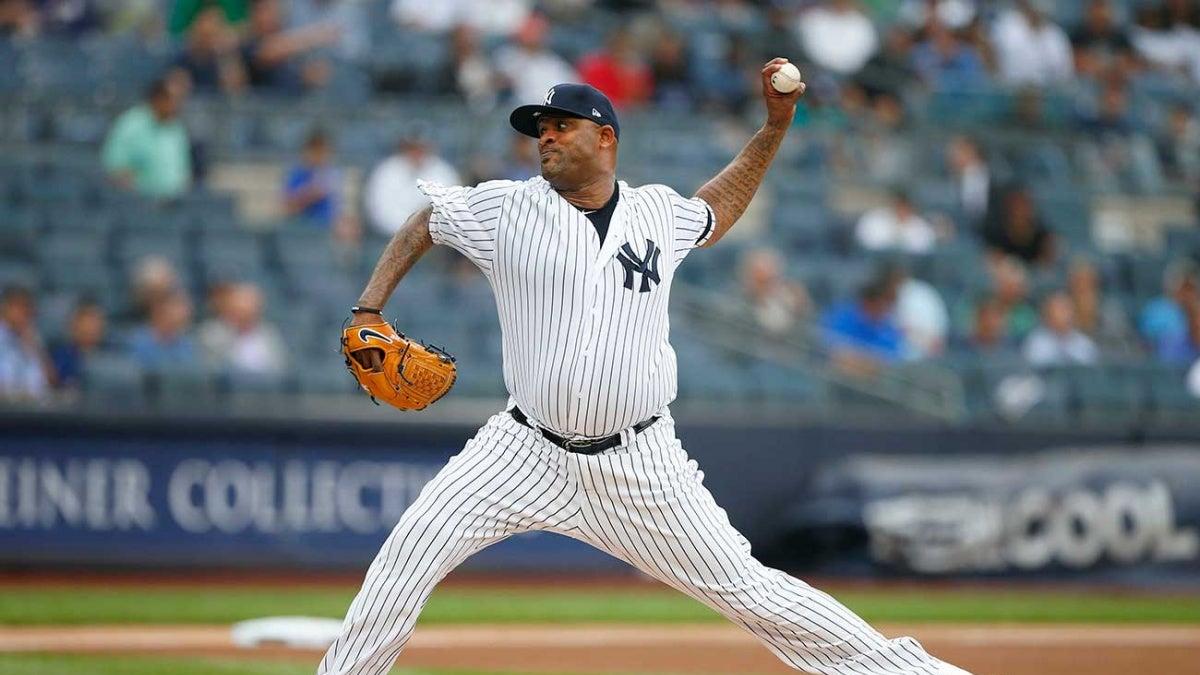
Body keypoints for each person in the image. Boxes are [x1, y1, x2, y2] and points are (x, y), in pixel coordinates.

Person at [321, 65, 969, 675]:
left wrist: (773, 128)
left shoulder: (657, 211)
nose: (546, 137)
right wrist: (369, 307)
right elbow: (428, 220)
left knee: (752, 592)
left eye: (561, 125)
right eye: (540, 128)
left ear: (605, 138)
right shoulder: (506, 208)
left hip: (640, 462)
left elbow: (719, 205)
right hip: (522, 449)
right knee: (405, 558)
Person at [101, 77, 192, 200]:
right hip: (138, 202)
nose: (177, 105)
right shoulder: (131, 124)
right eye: (172, 99)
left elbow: (182, 171)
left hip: (173, 202)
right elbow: (114, 167)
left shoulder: (176, 128)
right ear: (158, 98)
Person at [364, 138, 462, 236]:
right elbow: (379, 211)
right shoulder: (386, 171)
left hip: (436, 236)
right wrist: (409, 231)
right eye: (412, 149)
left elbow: (451, 209)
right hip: (392, 235)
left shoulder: (443, 171)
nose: (416, 153)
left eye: (420, 148)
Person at [240, 0, 337, 94]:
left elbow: (295, 77)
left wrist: (309, 76)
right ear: (254, 14)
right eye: (267, 10)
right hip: (266, 103)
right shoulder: (249, 44)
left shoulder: (288, 50)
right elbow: (269, 52)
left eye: (276, 10)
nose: (274, 16)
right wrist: (315, 35)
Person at [198, 283, 287, 376]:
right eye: (240, 311)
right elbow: (213, 369)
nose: (245, 316)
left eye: (251, 312)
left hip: (267, 383)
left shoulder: (268, 334)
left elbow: (281, 367)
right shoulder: (212, 333)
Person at [494, 14, 577, 109]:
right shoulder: (506, 57)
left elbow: (572, 91)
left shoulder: (555, 64)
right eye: (530, 30)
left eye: (539, 31)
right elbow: (498, 85)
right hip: (515, 110)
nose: (533, 35)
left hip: (549, 112)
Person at [821, 275, 906, 365]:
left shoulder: (887, 329)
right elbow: (830, 349)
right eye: (879, 305)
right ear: (867, 302)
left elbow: (893, 359)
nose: (884, 310)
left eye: (887, 305)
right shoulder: (841, 318)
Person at [991, 0, 1073, 87]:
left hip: (1047, 92)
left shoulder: (1057, 36)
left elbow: (1064, 77)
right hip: (1009, 90)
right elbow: (993, 68)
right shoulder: (1005, 26)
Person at [172, 5, 246, 95]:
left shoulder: (225, 56)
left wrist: (226, 56)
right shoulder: (184, 57)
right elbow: (176, 84)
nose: (209, 29)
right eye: (205, 23)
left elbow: (236, 89)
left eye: (215, 25)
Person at [795, 0, 879, 76]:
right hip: (814, 72)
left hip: (853, 77)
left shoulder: (864, 25)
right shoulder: (812, 18)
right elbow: (810, 50)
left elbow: (863, 56)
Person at [739, 247, 810, 336]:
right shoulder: (739, 306)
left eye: (772, 278)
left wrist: (800, 306)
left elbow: (806, 326)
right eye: (761, 280)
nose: (769, 285)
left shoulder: (791, 296)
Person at [577, 28, 653, 109]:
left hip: (633, 113)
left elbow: (643, 99)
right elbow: (593, 97)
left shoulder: (639, 70)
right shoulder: (595, 67)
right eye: (620, 45)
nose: (623, 50)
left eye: (628, 46)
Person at [982, 185, 1055, 267]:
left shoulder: (1043, 237)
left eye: (1023, 207)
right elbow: (993, 261)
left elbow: (1049, 264)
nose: (1020, 212)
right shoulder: (995, 236)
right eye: (1016, 208)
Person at [1141, 261, 1200, 363]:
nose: (1186, 293)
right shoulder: (1158, 311)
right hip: (1166, 365)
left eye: (1190, 288)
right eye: (1184, 287)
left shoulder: (1195, 309)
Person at [0, 285, 52, 401]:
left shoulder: (33, 337)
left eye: (27, 307)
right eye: (19, 306)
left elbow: (52, 382)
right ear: (4, 307)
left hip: (31, 406)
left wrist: (36, 349)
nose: (24, 312)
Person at [283, 128, 343, 228]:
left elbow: (336, 209)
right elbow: (288, 207)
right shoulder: (297, 173)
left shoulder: (332, 173)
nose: (319, 156)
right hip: (299, 227)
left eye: (322, 151)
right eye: (315, 151)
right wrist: (310, 194)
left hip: (324, 227)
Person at [1023, 291, 1099, 366]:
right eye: (1059, 310)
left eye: (1067, 309)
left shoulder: (1084, 343)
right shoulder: (1036, 343)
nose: (1065, 315)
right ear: (1047, 315)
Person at [127, 291, 197, 370]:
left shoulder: (186, 344)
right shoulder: (137, 342)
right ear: (158, 308)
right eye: (177, 305)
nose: (186, 311)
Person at [855, 187, 938, 254]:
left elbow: (924, 249)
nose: (901, 210)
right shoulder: (873, 219)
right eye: (898, 205)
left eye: (905, 206)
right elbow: (865, 243)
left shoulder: (921, 227)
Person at [49, 299, 107, 392]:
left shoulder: (109, 355)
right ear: (74, 326)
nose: (91, 329)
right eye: (86, 323)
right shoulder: (61, 357)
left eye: (95, 323)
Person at [945, 135, 990, 222]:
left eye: (956, 153)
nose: (950, 158)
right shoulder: (959, 179)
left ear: (970, 152)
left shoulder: (982, 179)